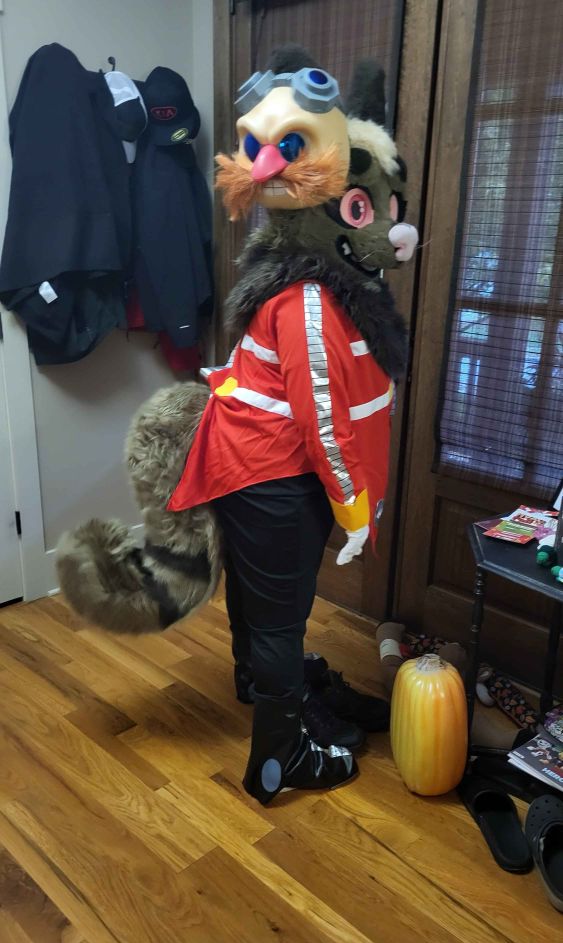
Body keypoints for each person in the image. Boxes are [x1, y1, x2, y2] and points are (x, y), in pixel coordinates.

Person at [167, 46, 418, 804]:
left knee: (263, 604)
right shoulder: (310, 300)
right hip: (268, 469)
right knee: (279, 611)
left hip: (259, 462)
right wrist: (353, 507)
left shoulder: (324, 287)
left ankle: (268, 684)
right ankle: (279, 755)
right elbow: (326, 420)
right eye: (362, 211)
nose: (392, 233)